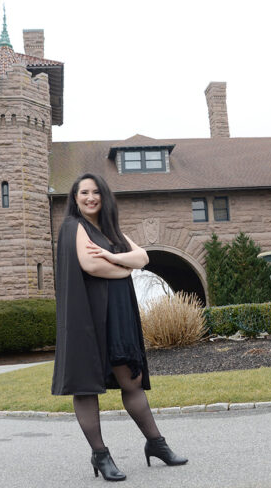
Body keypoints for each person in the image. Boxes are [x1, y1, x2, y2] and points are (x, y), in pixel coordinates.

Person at [52, 173, 187, 481]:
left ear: (104, 197)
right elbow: (90, 265)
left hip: (118, 316)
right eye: (83, 192)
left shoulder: (110, 230)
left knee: (131, 382)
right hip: (88, 318)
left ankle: (156, 444)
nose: (90, 197)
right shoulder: (74, 227)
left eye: (95, 192)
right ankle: (100, 455)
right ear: (75, 198)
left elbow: (142, 257)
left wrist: (114, 255)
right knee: (86, 385)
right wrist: (124, 270)